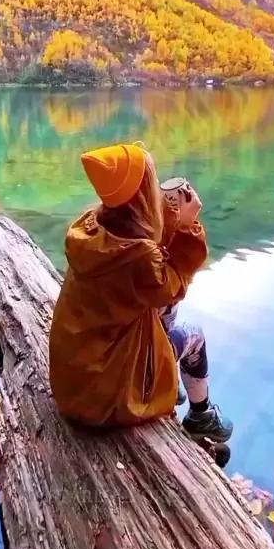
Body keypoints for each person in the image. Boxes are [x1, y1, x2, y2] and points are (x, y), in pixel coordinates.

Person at [49, 142, 233, 442]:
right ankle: (201, 415)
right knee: (194, 333)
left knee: (164, 310)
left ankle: (164, 378)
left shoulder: (92, 227)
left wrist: (170, 217)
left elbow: (146, 236)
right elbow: (175, 283)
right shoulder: (139, 257)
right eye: (151, 182)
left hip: (75, 381)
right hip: (105, 397)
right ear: (143, 193)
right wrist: (187, 226)